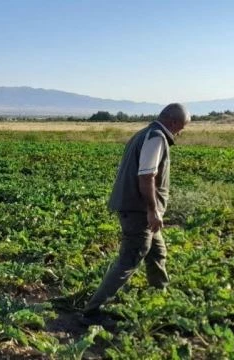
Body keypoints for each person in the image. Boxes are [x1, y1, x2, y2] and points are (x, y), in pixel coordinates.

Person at [81, 103, 191, 326]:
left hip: (140, 209)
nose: (181, 131)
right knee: (129, 259)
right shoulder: (156, 137)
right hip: (139, 210)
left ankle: (159, 298)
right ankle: (93, 311)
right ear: (172, 121)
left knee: (157, 252)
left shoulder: (145, 133)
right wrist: (152, 210)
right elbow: (146, 177)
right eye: (182, 126)